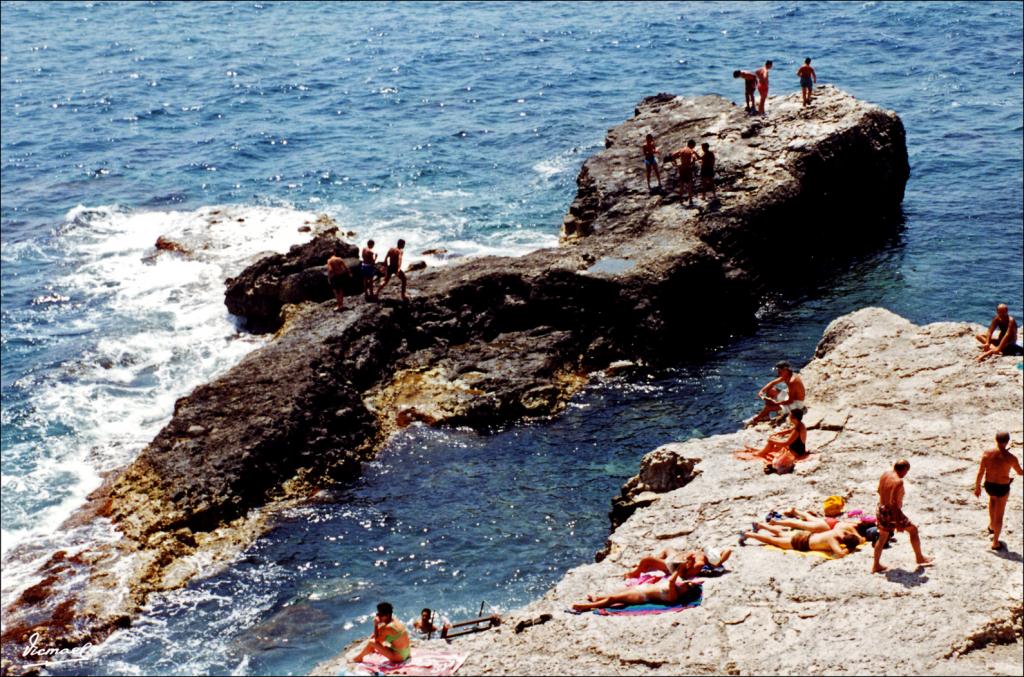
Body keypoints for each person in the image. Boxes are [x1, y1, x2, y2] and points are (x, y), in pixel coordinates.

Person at [872, 460, 933, 573]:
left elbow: (879, 491)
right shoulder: (898, 482)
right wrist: (898, 522)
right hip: (892, 512)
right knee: (913, 530)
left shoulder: (885, 474)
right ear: (904, 470)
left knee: (882, 537)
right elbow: (893, 503)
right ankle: (919, 558)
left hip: (881, 509)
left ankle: (876, 565)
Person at [572, 563, 698, 612]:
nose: (683, 583)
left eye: (686, 585)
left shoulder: (673, 596)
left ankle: (585, 607)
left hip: (641, 596)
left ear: (685, 592)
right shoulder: (676, 587)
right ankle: (597, 598)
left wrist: (678, 571)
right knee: (615, 595)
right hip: (642, 588)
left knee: (612, 599)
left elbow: (671, 581)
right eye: (685, 582)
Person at [973, 432, 1023, 550]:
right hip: (1002, 487)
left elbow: (980, 472)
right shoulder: (1011, 458)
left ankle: (991, 525)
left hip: (989, 485)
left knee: (992, 501)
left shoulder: (987, 453)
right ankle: (995, 542)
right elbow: (1020, 472)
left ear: (996, 439)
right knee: (999, 514)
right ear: (1007, 441)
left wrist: (977, 487)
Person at [741, 409, 807, 473]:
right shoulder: (800, 424)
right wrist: (777, 433)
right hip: (799, 449)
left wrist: (772, 441)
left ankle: (761, 453)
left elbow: (786, 443)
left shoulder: (797, 429)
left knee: (771, 441)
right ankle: (763, 451)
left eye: (790, 416)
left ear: (794, 418)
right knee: (773, 441)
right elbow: (789, 431)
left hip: (796, 452)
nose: (788, 417)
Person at [739, 523, 863, 557]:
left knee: (781, 533)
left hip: (806, 535)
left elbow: (856, 538)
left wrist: (858, 540)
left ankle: (761, 526)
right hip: (802, 543)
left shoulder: (840, 532)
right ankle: (748, 534)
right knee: (773, 541)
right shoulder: (833, 540)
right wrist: (850, 549)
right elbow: (840, 553)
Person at [621, 546, 732, 579]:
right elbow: (728, 550)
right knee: (667, 549)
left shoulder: (699, 562)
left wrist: (688, 562)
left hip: (672, 566)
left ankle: (635, 573)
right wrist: (719, 561)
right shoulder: (702, 555)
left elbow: (685, 575)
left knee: (647, 559)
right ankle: (650, 564)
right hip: (675, 557)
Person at [764, 360, 807, 426]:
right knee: (770, 390)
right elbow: (772, 383)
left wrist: (776, 403)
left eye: (779, 371)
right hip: (793, 399)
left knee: (770, 407)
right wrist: (761, 391)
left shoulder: (792, 381)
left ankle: (784, 413)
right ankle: (767, 415)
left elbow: (790, 400)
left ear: (785, 370)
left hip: (797, 404)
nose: (778, 373)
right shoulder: (788, 375)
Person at [669, 139, 700, 205]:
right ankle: (690, 200)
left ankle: (681, 200)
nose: (694, 147)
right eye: (694, 146)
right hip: (688, 169)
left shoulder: (681, 150)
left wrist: (675, 163)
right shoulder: (691, 150)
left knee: (682, 185)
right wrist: (693, 163)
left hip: (682, 168)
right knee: (689, 184)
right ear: (692, 145)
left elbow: (672, 155)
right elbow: (694, 157)